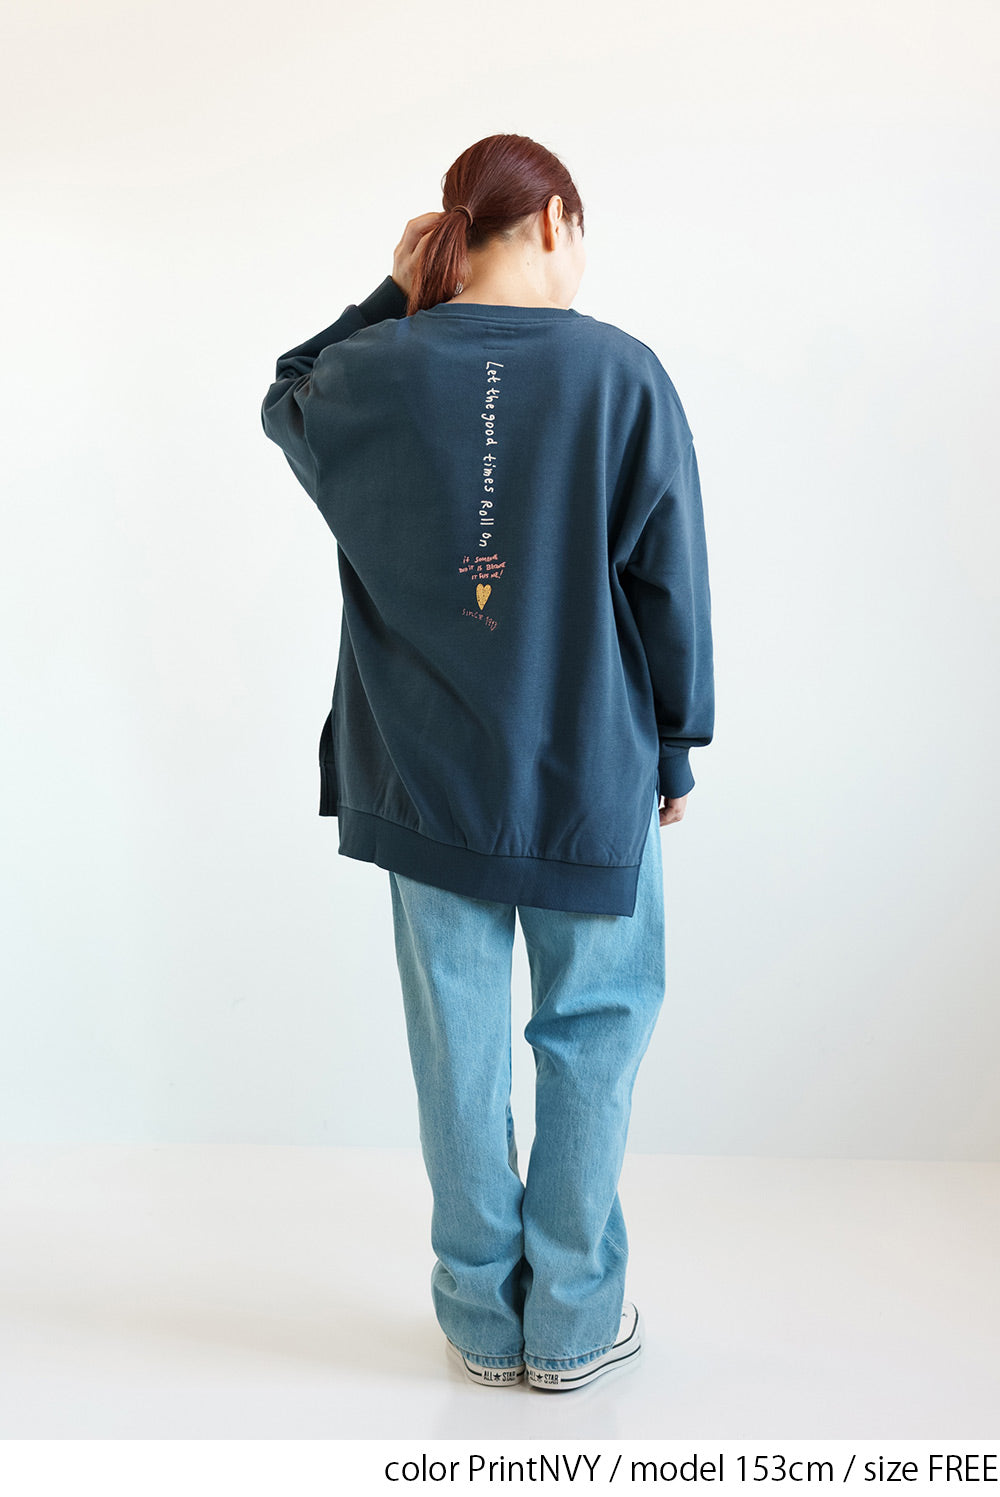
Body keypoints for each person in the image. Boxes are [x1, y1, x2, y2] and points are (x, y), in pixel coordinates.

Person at [261, 133, 715, 1392]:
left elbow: (285, 391)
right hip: (589, 772)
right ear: (556, 218)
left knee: (457, 1043)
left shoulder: (374, 372)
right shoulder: (620, 373)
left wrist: (397, 290)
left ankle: (476, 1318)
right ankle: (569, 1324)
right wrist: (675, 743)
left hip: (425, 776)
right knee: (594, 1030)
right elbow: (667, 579)